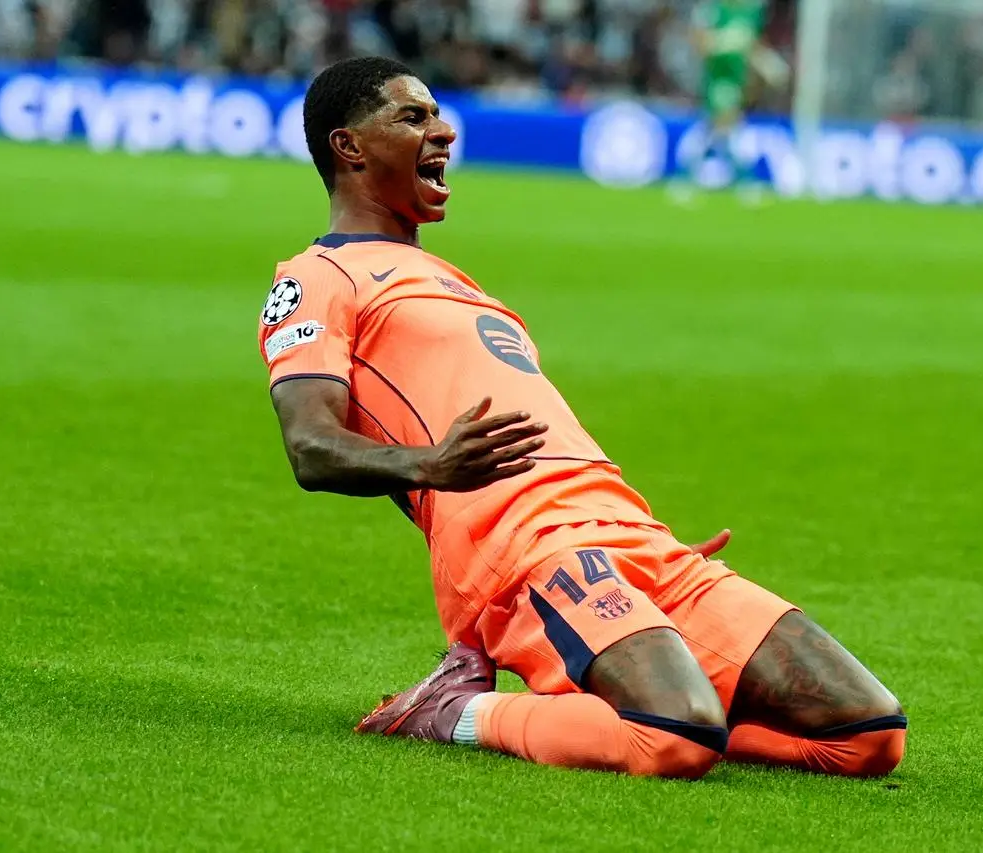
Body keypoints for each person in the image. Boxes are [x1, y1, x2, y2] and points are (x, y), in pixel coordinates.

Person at [258, 56, 906, 780]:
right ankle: (451, 712)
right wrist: (428, 465)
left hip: (626, 530)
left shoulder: (451, 280)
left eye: (438, 114)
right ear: (348, 146)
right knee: (672, 738)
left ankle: (659, 697)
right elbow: (311, 446)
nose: (443, 131)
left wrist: (620, 520)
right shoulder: (318, 277)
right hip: (523, 544)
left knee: (868, 733)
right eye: (414, 117)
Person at [671, 0, 784, 206]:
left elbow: (752, 46)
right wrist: (723, 42)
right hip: (718, 79)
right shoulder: (713, 10)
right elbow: (700, 44)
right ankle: (744, 184)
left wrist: (768, 64)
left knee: (717, 132)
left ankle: (685, 180)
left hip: (738, 79)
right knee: (728, 130)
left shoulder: (752, 12)